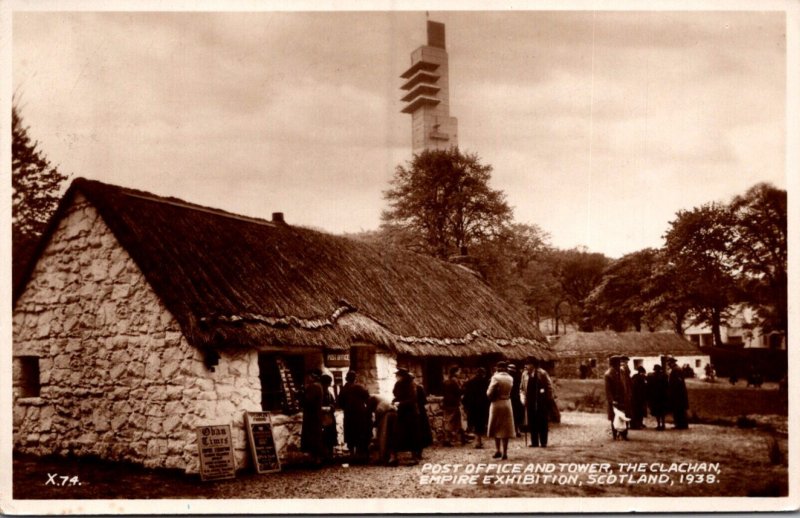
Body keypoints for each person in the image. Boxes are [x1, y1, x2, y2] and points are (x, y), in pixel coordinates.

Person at [337, 370, 371, 463]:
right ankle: (360, 455)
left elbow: (339, 402)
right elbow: (367, 397)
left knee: (350, 433)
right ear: (355, 378)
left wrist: (346, 407)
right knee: (360, 432)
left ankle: (352, 454)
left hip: (348, 413)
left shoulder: (344, 388)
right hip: (359, 413)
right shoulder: (359, 387)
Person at [520, 357, 554, 448]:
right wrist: (523, 399)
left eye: (528, 364)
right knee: (532, 421)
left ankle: (543, 442)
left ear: (533, 365)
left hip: (541, 400)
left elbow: (549, 386)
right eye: (526, 364)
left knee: (542, 421)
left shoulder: (542, 373)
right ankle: (534, 442)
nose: (526, 366)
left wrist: (548, 399)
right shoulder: (524, 374)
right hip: (530, 400)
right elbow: (522, 388)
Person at [392, 368, 422, 465]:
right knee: (398, 433)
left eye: (398, 375)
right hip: (402, 413)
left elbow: (412, 400)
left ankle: (415, 456)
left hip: (411, 413)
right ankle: (394, 457)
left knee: (413, 434)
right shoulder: (398, 384)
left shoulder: (411, 385)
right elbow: (396, 394)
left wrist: (400, 403)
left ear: (403, 376)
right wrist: (395, 401)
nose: (397, 377)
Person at [486, 361, 515, 460]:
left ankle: (498, 450)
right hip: (507, 402)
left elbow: (489, 392)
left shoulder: (495, 377)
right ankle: (505, 452)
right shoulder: (510, 378)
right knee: (505, 428)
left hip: (497, 402)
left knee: (496, 426)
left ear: (497, 368)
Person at [300, 369, 325, 465]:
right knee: (315, 436)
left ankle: (316, 459)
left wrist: (301, 394)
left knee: (313, 436)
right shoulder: (318, 386)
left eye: (309, 376)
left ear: (313, 377)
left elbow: (308, 400)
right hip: (315, 414)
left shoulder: (314, 387)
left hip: (312, 415)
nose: (308, 378)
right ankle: (315, 458)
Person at [462, 367, 490, 449]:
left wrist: (466, 405)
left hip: (473, 406)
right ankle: (479, 441)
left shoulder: (470, 382)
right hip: (483, 406)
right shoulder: (486, 383)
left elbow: (466, 395)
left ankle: (478, 441)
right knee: (481, 424)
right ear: (483, 374)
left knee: (476, 423)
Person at [368, 394, 397, 465]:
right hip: (394, 415)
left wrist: (374, 424)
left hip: (387, 418)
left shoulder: (379, 408)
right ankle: (392, 457)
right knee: (392, 437)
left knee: (384, 438)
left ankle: (383, 457)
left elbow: (378, 419)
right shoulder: (383, 401)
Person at [604, 355, 628, 440]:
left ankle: (624, 434)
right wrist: (611, 400)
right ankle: (615, 435)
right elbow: (608, 390)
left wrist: (627, 395)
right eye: (618, 363)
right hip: (615, 399)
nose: (619, 365)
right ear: (614, 364)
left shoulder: (621, 371)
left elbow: (625, 384)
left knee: (624, 416)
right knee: (614, 417)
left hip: (623, 398)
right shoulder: (608, 374)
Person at [441, 367, 465, 446]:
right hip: (454, 403)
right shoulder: (455, 382)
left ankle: (460, 437)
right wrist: (463, 389)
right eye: (458, 372)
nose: (460, 373)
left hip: (446, 403)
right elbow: (458, 392)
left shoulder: (445, 382)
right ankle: (449, 439)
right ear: (455, 372)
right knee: (454, 421)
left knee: (448, 420)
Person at [667, 357, 689, 429]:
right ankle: (682, 424)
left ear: (672, 363)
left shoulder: (676, 370)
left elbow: (678, 382)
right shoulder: (676, 369)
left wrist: (672, 390)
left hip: (678, 393)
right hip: (679, 393)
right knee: (680, 409)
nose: (668, 364)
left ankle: (680, 425)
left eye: (669, 363)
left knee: (678, 409)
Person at [320, 373, 338, 462]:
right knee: (324, 437)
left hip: (330, 417)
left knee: (330, 436)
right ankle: (325, 455)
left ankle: (330, 455)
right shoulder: (321, 392)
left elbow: (334, 404)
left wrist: (331, 407)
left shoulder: (329, 393)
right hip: (322, 418)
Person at [647, 364, 669, 430]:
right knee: (662, 411)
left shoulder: (651, 376)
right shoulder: (664, 376)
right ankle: (663, 425)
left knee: (657, 412)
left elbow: (649, 386)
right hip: (662, 396)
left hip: (655, 397)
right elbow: (667, 386)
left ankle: (659, 424)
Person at [415, 376, 433, 453]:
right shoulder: (418, 387)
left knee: (421, 430)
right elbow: (424, 401)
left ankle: (419, 450)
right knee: (421, 430)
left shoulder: (418, 388)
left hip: (419, 411)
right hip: (420, 411)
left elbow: (424, 401)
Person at [508, 364, 524, 437]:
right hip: (513, 398)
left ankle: (516, 430)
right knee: (515, 415)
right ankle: (516, 430)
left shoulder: (515, 378)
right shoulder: (517, 377)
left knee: (515, 415)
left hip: (514, 398)